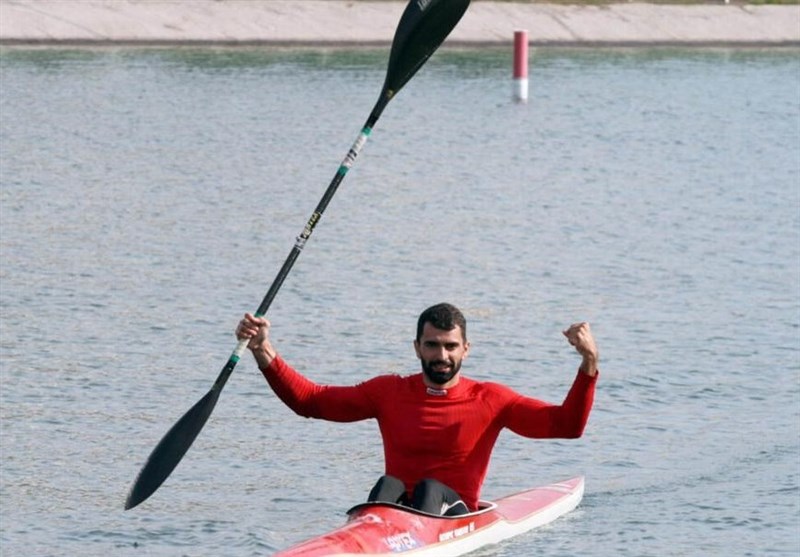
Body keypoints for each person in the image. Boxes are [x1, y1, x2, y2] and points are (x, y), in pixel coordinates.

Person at [236, 302, 598, 516]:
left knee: (428, 489)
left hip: (455, 520)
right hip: (393, 516)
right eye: (432, 345)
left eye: (450, 346)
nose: (441, 356)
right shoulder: (389, 392)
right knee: (388, 485)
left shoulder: (491, 399)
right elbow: (310, 401)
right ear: (417, 348)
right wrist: (263, 350)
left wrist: (589, 363)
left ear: (465, 349)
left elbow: (566, 425)